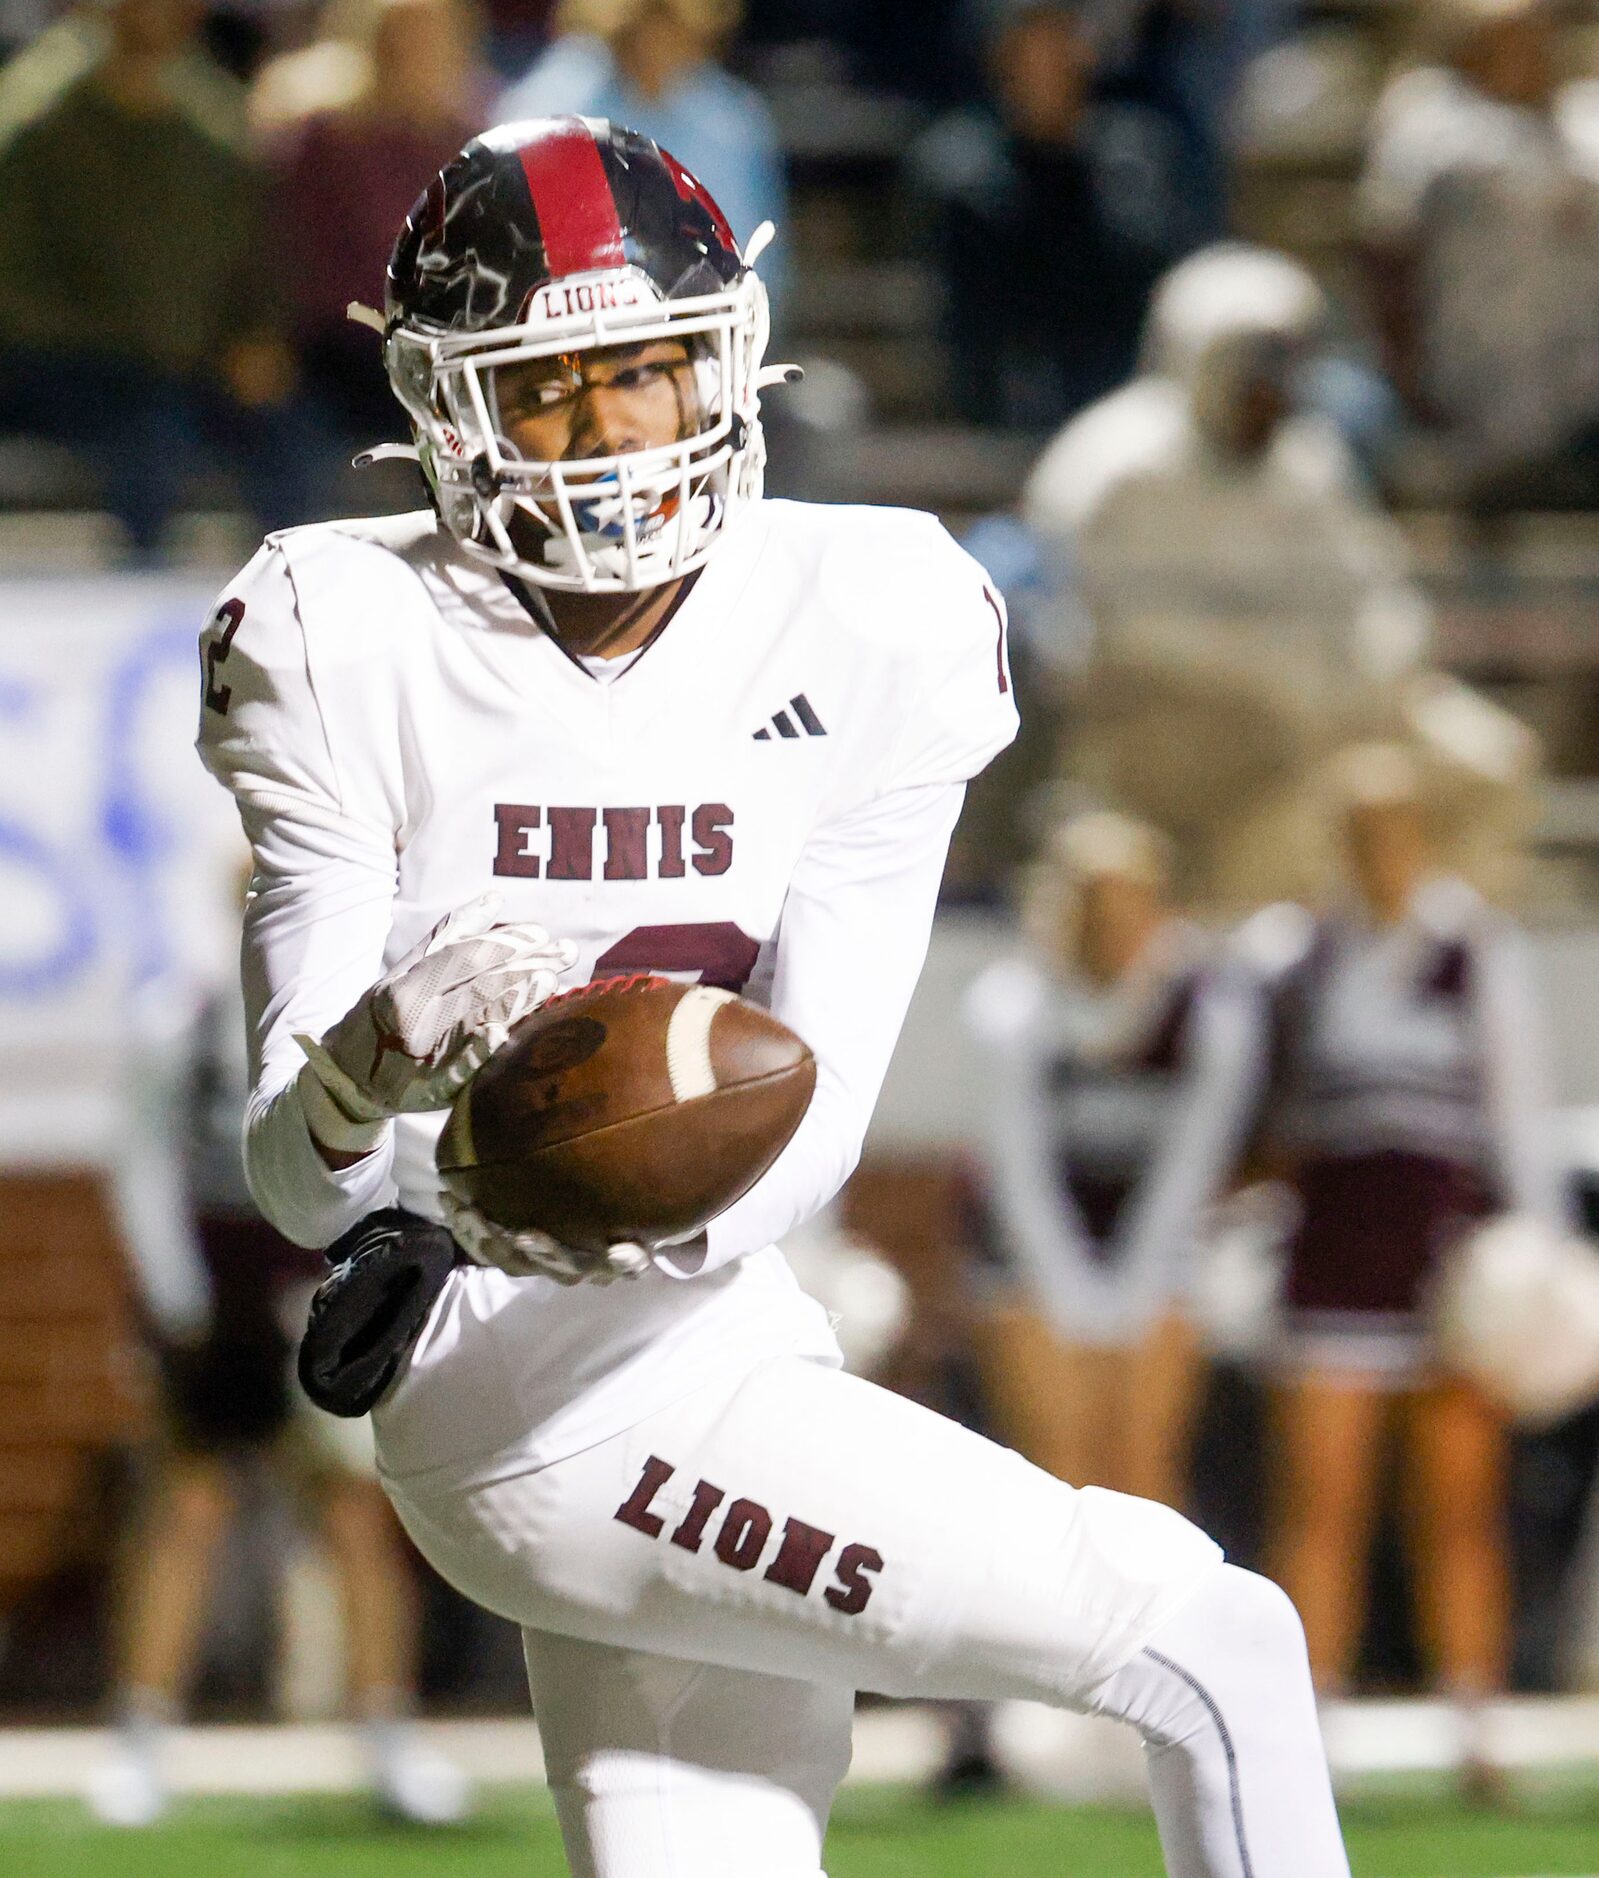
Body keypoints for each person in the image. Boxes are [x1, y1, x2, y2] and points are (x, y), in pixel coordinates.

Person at [196, 118, 1349, 1878]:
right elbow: (300, 1180)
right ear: (451, 411)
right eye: (549, 389)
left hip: (722, 1330)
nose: (603, 437)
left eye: (643, 373)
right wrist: (371, 1057)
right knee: (1214, 1645)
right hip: (520, 1392)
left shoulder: (870, 615)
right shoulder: (342, 633)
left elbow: (803, 1119)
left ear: (722, 362)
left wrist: (565, 1188)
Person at [88, 980, 469, 1829]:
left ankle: (386, 1736)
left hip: (319, 1283)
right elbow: (145, 1160)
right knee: (188, 1509)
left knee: (355, 1514)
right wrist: (177, 1297)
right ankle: (140, 1738)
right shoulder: (182, 1020)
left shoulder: (362, 1003)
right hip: (218, 1291)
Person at [1250, 743, 1564, 1771]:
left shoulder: (1478, 947)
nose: (1378, 852)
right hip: (1329, 1254)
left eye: (1394, 830)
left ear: (1424, 836)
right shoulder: (1295, 955)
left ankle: (1477, 1722)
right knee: (1319, 1502)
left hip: (1447, 1263)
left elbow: (1520, 1119)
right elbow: (1266, 1118)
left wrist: (1537, 1262)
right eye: (1359, 833)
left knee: (1458, 1507)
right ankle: (1308, 1716)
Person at [1024, 244, 1433, 910]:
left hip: (1307, 724)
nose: (1270, 385)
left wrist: (1369, 670)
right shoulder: (1114, 466)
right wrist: (1271, 676)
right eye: (1250, 362)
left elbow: (1378, 593)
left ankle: (1434, 971)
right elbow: (1092, 633)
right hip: (1159, 731)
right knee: (1273, 812)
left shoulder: (1309, 463)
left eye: (1285, 363)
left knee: (1475, 764)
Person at [963, 812, 1263, 1508]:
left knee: (1143, 1474)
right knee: (1057, 1476)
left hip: (1159, 1254)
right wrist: (1071, 1296)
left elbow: (1191, 1167)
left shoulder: (1211, 1012)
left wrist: (1130, 1293)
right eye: (1093, 909)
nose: (1113, 930)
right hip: (1029, 1261)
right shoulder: (1012, 1006)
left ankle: (1155, 1621)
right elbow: (1018, 1174)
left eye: (1131, 908)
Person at [1356, 0, 1599, 522]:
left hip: (1596, 384)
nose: (1531, 55)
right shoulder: (1428, 121)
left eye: (1539, 39)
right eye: (1508, 42)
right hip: (1472, 374)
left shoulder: (1597, 116)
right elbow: (1387, 238)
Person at [0, 0, 323, 561]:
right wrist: (139, 343)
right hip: (63, 365)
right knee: (152, 439)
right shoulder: (37, 117)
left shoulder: (213, 123)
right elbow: (16, 287)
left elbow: (249, 263)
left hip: (190, 367)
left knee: (293, 435)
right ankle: (134, 615)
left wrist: (255, 340)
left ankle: (294, 605)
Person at [905, 0, 1206, 428]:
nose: (1052, 61)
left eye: (1065, 39)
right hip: (998, 414)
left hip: (1120, 405)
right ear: (1003, 55)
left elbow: (1151, 285)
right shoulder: (958, 172)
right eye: (1035, 43)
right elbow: (968, 323)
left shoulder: (1141, 158)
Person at [269, 0, 490, 451]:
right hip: (336, 347)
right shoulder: (328, 136)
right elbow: (290, 250)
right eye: (400, 37)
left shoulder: (468, 139)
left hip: (436, 349)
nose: (414, 51)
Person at [496, 0, 789, 312]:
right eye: (646, 18)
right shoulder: (545, 112)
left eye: (670, 21)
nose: (656, 40)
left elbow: (756, 272)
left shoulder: (734, 124)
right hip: (573, 329)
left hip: (705, 330)